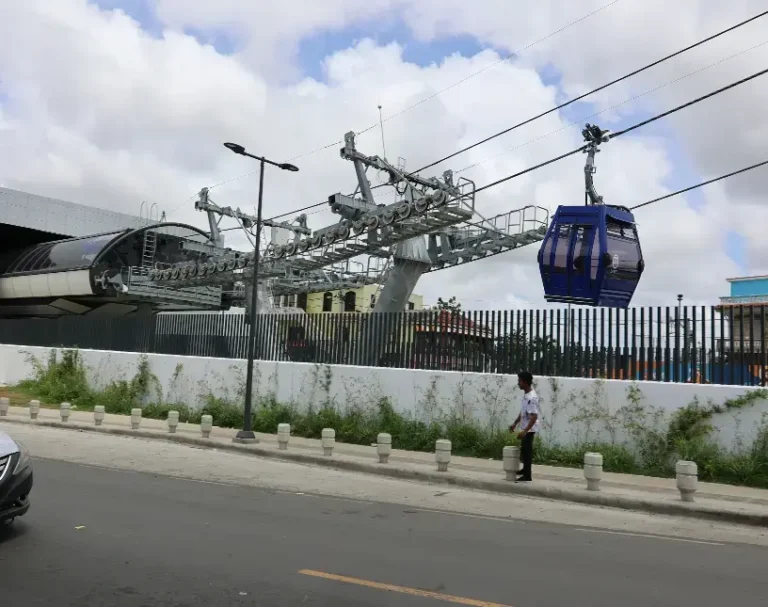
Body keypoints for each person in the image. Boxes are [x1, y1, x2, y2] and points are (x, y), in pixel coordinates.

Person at [509, 370, 540, 482]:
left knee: (527, 452)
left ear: (525, 382)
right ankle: (525, 470)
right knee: (524, 451)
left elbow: (534, 416)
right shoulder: (526, 395)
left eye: (520, 381)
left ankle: (528, 475)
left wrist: (525, 431)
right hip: (525, 427)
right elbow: (523, 412)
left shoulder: (532, 397)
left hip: (529, 429)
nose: (518, 383)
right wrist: (515, 423)